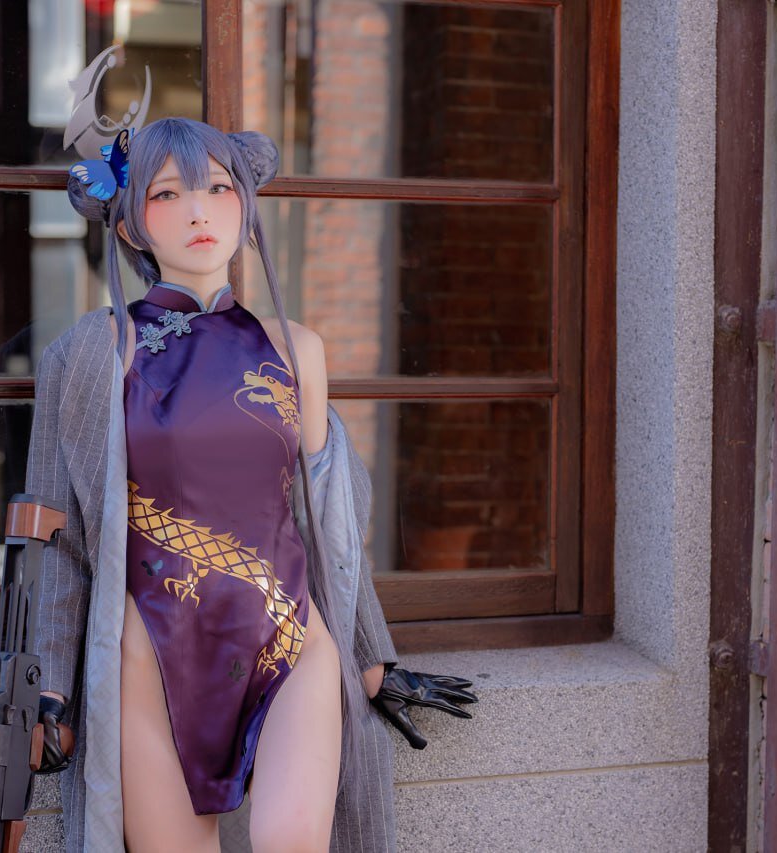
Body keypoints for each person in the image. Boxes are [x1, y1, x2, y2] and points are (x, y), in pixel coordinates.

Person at [25, 116, 476, 853]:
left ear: (246, 203)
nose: (198, 211)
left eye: (217, 188)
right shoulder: (94, 352)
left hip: (290, 634)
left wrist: (373, 661)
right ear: (131, 225)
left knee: (294, 841)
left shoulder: (296, 350)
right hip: (152, 648)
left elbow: (328, 525)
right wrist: (50, 687)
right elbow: (57, 529)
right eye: (167, 194)